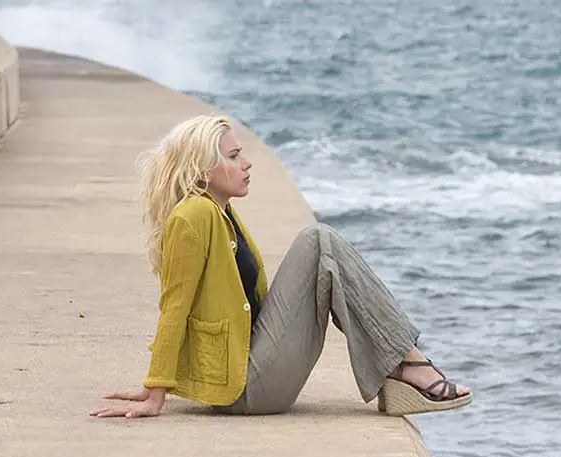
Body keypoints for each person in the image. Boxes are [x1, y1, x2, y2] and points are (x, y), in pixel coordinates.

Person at [90, 114, 472, 419]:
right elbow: (175, 306)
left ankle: (402, 364)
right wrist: (155, 390)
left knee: (321, 244)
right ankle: (407, 364)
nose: (247, 162)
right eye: (234, 155)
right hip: (245, 388)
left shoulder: (221, 213)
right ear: (202, 170)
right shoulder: (193, 216)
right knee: (319, 241)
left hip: (254, 360)